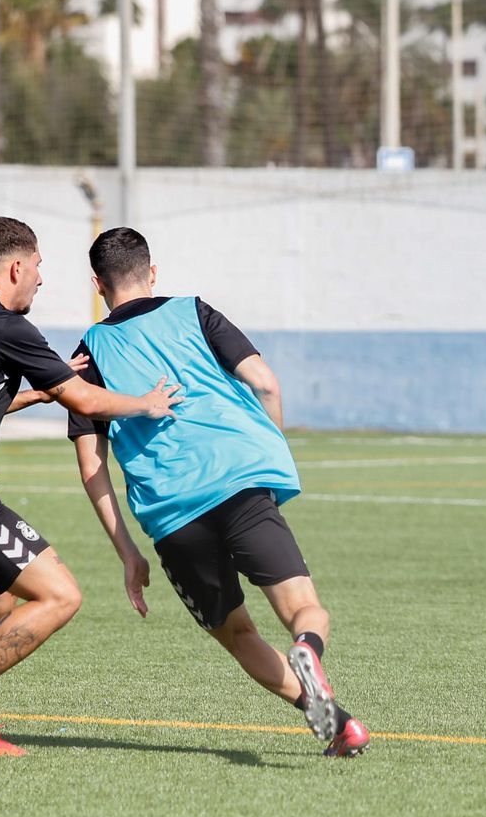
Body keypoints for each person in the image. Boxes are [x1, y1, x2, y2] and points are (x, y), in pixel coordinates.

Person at [66, 226, 369, 759]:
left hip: (172, 514)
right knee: (304, 609)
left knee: (237, 633)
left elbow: (92, 466)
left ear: (98, 284)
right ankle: (308, 650)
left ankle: (336, 724)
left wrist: (128, 554)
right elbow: (266, 381)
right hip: (241, 480)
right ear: (152, 272)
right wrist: (269, 462)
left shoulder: (87, 355)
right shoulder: (194, 311)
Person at [0, 216, 183, 771]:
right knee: (60, 595)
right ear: (16, 267)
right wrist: (144, 402)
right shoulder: (7, 329)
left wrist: (37, 395)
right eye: (40, 269)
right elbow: (87, 402)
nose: (41, 282)